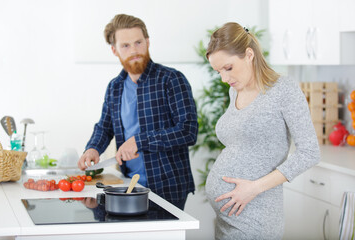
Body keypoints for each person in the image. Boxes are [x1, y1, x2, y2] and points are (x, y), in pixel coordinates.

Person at [204, 22, 320, 239]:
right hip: (226, 219)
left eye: (228, 68)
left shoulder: (283, 90)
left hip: (256, 217)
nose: (224, 78)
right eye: (218, 71)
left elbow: (310, 152)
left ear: (249, 54)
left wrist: (254, 188)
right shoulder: (235, 91)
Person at [77, 14, 198, 210]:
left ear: (148, 42)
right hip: (128, 186)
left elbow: (188, 131)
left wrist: (139, 141)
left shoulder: (172, 79)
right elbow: (105, 127)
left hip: (167, 187)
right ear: (114, 50)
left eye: (138, 42)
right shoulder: (115, 87)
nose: (134, 50)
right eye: (126, 45)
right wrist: (93, 148)